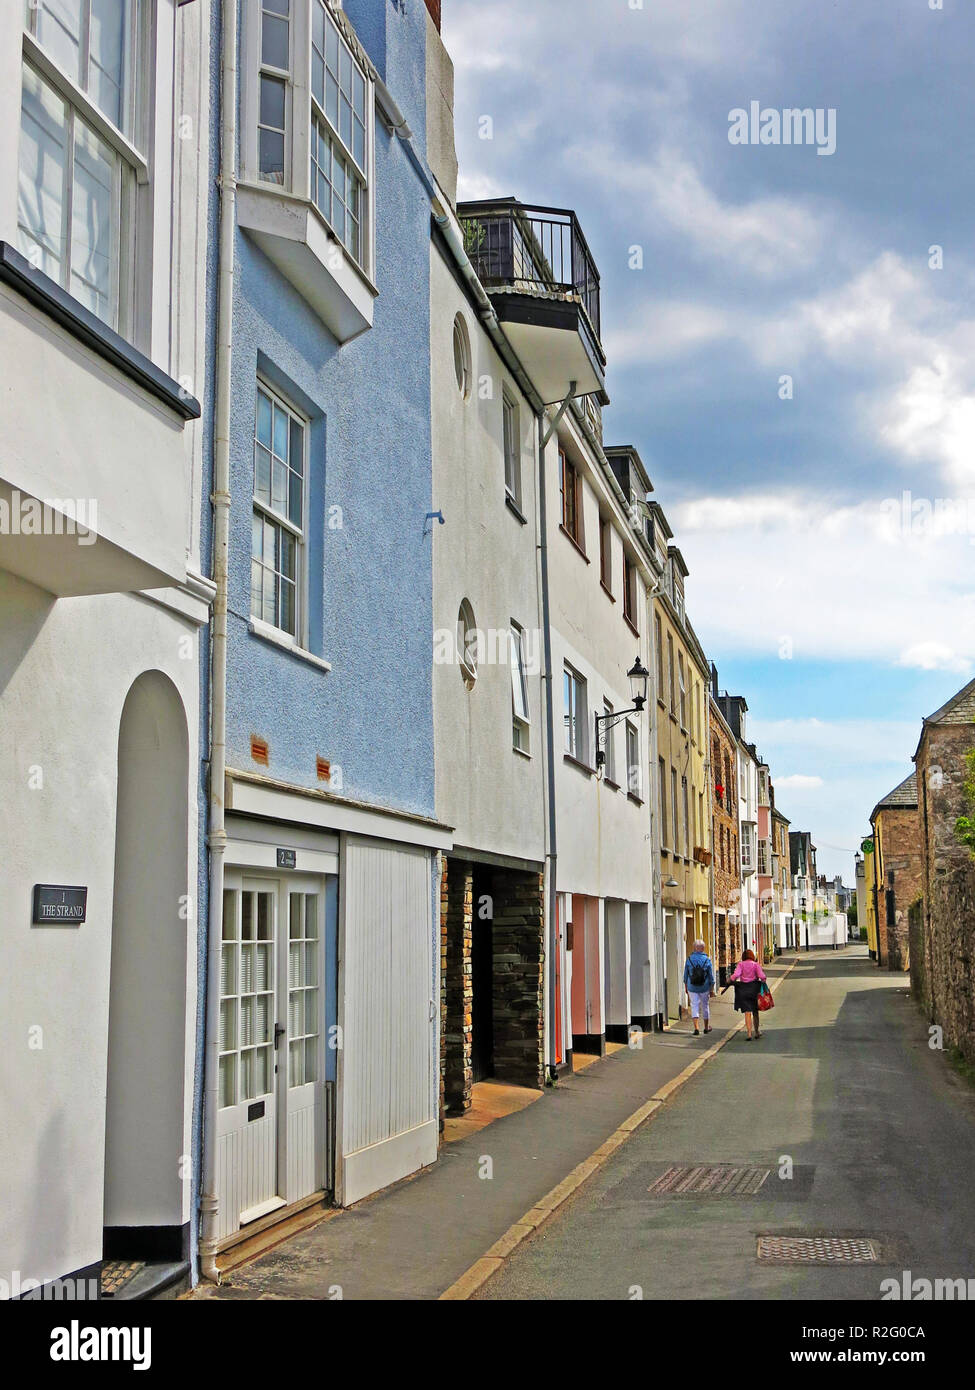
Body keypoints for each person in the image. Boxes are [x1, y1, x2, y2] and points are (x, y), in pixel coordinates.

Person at [724, 948, 767, 1040]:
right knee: (755, 1011)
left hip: (743, 989)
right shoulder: (756, 965)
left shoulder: (741, 964)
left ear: (743, 956)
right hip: (754, 989)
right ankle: (756, 1032)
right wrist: (763, 981)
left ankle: (749, 1034)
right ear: (752, 956)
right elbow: (762, 976)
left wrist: (729, 980)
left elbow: (736, 975)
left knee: (747, 1012)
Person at [683, 939, 715, 1036]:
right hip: (704, 987)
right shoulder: (707, 960)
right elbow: (711, 977)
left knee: (694, 1006)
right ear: (703, 948)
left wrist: (686, 987)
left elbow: (685, 976)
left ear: (694, 948)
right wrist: (711, 989)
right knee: (705, 1006)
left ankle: (696, 1028)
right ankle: (706, 1027)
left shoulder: (689, 959)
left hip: (692, 987)